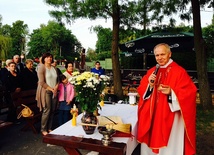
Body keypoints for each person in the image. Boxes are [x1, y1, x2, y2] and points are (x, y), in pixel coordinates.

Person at [137, 43, 197, 155]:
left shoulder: (179, 72)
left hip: (171, 116)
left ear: (170, 54)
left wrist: (172, 92)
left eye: (162, 54)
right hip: (153, 116)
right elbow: (141, 90)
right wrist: (149, 85)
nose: (159, 58)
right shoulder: (151, 72)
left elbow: (190, 92)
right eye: (157, 55)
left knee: (169, 149)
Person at [36, 52, 59, 136]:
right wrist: (51, 89)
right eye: (47, 57)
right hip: (46, 91)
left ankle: (49, 127)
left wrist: (56, 87)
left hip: (54, 91)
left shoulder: (54, 68)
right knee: (47, 110)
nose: (49, 59)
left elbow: (58, 80)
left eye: (50, 57)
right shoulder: (41, 68)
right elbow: (41, 82)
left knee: (53, 110)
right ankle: (43, 129)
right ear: (44, 58)